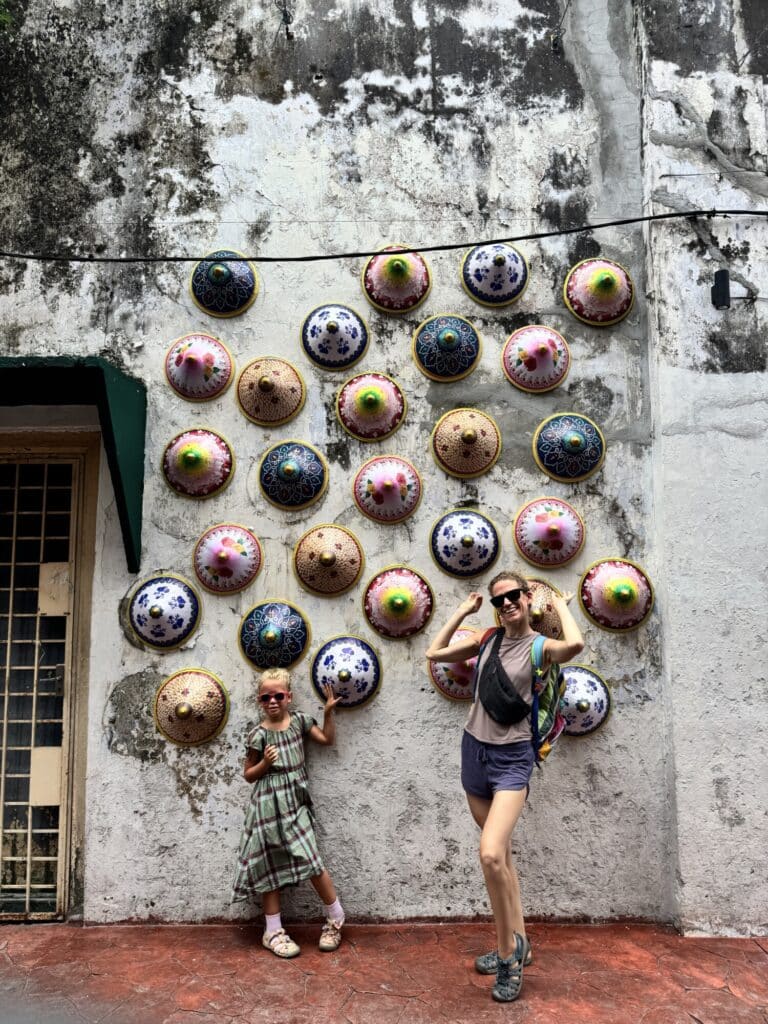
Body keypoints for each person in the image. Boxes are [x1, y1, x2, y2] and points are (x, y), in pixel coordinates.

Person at [425, 570, 584, 1003]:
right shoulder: (487, 639)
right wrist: (462, 611)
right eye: (500, 600)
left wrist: (563, 608)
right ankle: (521, 941)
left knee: (491, 854)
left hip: (513, 761)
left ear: (528, 598)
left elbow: (576, 646)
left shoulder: (539, 648)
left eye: (514, 596)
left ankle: (507, 955)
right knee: (504, 861)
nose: (507, 603)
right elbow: (434, 652)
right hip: (473, 754)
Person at [232, 666, 345, 958]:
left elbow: (327, 740)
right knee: (270, 867)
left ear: (289, 697)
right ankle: (272, 931)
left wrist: (329, 713)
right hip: (267, 806)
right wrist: (266, 764)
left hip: (294, 804)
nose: (272, 702)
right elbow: (248, 774)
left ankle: (335, 917)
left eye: (278, 696)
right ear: (259, 700)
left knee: (311, 859)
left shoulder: (299, 723)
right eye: (265, 697)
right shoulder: (258, 734)